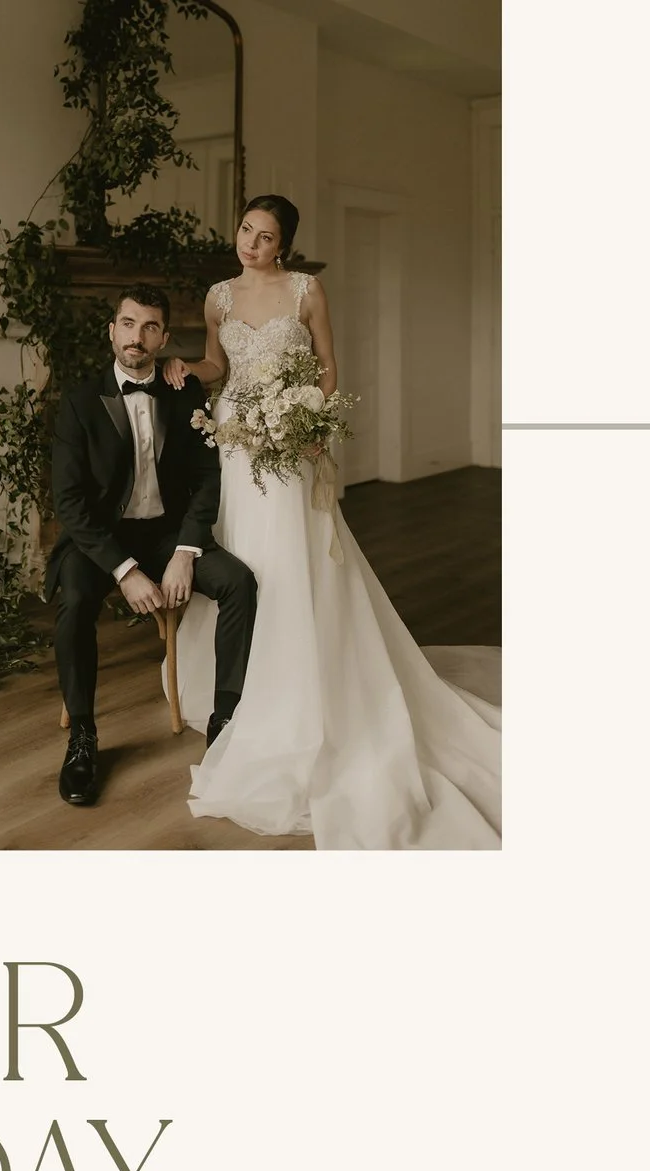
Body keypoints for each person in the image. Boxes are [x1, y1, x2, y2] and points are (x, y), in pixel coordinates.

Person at [161, 194, 502, 848]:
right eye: (246, 231)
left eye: (265, 238)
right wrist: (186, 367)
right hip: (234, 443)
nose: (251, 245)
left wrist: (310, 424)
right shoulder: (218, 297)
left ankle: (306, 690)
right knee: (242, 562)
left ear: (283, 246)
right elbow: (218, 366)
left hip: (288, 446)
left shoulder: (305, 291)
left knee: (294, 561)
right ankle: (233, 691)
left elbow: (326, 366)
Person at [45, 286, 258, 808]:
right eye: (127, 323)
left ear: (164, 338)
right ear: (112, 330)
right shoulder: (77, 401)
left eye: (149, 327)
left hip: (167, 535)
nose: (136, 336)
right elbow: (69, 503)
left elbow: (209, 479)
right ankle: (83, 738)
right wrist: (124, 570)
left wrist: (186, 549)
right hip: (100, 542)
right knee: (74, 600)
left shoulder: (184, 394)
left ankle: (224, 719)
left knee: (239, 584)